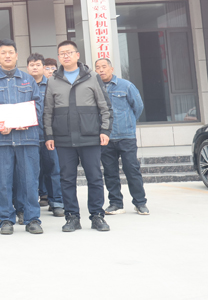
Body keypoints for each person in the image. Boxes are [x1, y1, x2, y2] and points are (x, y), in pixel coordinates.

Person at [44, 41, 113, 233]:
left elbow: (105, 106)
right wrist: (49, 135)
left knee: (95, 178)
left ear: (77, 55)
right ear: (59, 57)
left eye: (69, 52)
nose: (65, 56)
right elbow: (48, 111)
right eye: (62, 53)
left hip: (90, 137)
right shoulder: (53, 80)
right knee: (66, 179)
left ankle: (97, 216)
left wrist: (105, 131)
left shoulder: (92, 77)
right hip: (63, 139)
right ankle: (72, 217)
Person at [0, 40, 44, 235]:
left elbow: (38, 106)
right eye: (3, 52)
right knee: (3, 181)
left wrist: (28, 121)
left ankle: (32, 219)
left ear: (16, 55)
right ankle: (6, 219)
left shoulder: (28, 80)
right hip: (1, 141)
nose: (7, 56)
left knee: (30, 181)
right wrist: (2, 127)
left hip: (27, 138)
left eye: (10, 52)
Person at [94, 58, 149, 215]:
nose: (101, 70)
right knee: (110, 172)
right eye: (97, 67)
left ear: (111, 69)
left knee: (132, 170)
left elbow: (138, 107)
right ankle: (116, 203)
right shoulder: (94, 88)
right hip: (105, 137)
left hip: (126, 136)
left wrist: (128, 122)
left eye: (104, 67)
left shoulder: (126, 86)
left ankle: (140, 203)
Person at [26, 54, 64, 217]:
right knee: (30, 172)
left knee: (53, 169)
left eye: (38, 65)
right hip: (28, 136)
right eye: (32, 65)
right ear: (27, 67)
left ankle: (57, 202)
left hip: (49, 136)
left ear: (43, 67)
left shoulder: (52, 85)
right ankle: (29, 205)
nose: (35, 67)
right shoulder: (23, 85)